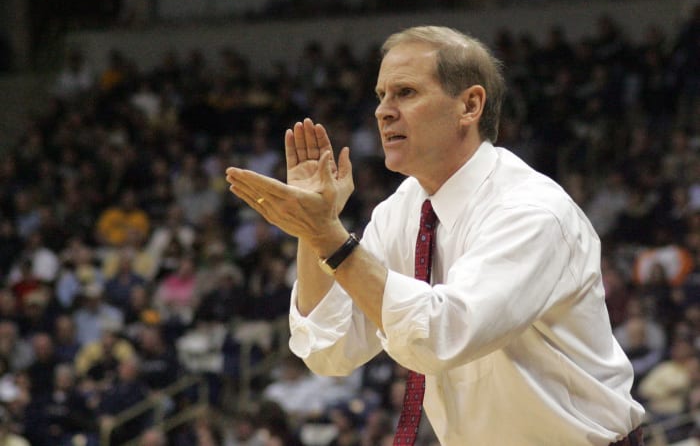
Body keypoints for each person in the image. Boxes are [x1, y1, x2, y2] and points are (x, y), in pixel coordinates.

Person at [225, 25, 645, 445]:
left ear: (470, 105)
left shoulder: (530, 211)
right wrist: (311, 229)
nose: (383, 111)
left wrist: (329, 235)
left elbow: (443, 335)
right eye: (381, 95)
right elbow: (328, 350)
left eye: (405, 93)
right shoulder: (402, 209)